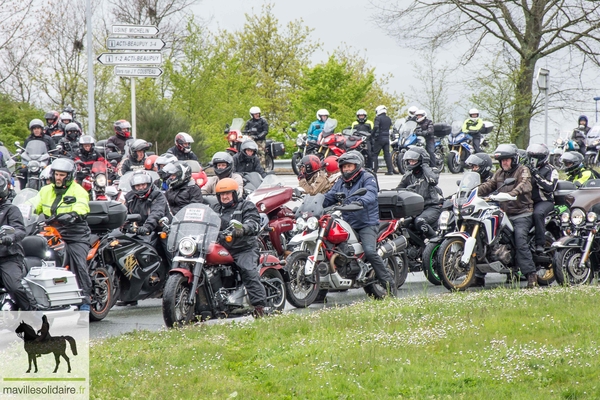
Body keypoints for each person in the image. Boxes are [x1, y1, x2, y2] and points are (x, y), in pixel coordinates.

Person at [323, 151, 397, 296]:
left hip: (366, 223)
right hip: (347, 222)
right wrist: (316, 201)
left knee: (369, 251)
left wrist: (360, 201)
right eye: (344, 167)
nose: (346, 169)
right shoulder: (341, 182)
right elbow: (330, 196)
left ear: (357, 166)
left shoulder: (367, 178)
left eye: (349, 166)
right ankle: (320, 292)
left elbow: (370, 194)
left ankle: (390, 286)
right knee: (327, 248)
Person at [34, 158, 92, 321]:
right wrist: (20, 211)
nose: (58, 178)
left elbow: (82, 205)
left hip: (75, 234)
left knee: (78, 262)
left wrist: (74, 214)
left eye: (62, 175)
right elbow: (33, 205)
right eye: (56, 174)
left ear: (69, 176)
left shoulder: (78, 190)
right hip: (51, 231)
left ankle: (84, 302)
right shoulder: (45, 190)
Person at [477, 144, 537, 288]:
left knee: (520, 240)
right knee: (483, 236)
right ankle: (477, 276)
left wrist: (510, 195)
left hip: (521, 213)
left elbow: (524, 185)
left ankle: (531, 276)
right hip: (504, 214)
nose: (504, 162)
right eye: (502, 160)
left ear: (514, 159)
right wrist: (470, 193)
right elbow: (488, 185)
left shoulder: (523, 170)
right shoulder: (499, 173)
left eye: (507, 159)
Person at [211, 178, 267, 317]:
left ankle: (260, 308)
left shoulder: (246, 206)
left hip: (244, 248)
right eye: (221, 194)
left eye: (228, 193)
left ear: (235, 193)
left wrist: (242, 229)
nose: (224, 197)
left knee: (248, 271)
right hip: (221, 248)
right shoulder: (215, 209)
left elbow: (253, 223)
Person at [122, 171, 172, 305]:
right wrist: (121, 225)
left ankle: (175, 283)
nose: (140, 188)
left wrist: (148, 226)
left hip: (161, 228)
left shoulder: (158, 196)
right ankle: (130, 293)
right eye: (137, 186)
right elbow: (123, 212)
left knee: (170, 250)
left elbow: (157, 213)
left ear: (149, 184)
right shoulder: (130, 197)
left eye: (143, 185)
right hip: (138, 230)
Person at [0, 175, 36, 311]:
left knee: (14, 287)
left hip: (8, 256)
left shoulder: (11, 209)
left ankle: (34, 314)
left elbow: (20, 230)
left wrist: (11, 237)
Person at [396, 147, 442, 237]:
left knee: (420, 221)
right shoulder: (408, 175)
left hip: (431, 207)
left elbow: (434, 181)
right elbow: (398, 190)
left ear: (422, 160)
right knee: (400, 223)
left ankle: (435, 242)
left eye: (414, 161)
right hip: (414, 209)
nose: (411, 163)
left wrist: (425, 165)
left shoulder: (432, 171)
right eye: (410, 161)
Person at [526, 143, 558, 254]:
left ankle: (540, 243)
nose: (533, 160)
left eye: (536, 158)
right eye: (531, 157)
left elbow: (550, 187)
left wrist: (536, 174)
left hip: (545, 201)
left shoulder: (551, 170)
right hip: (529, 201)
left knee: (537, 214)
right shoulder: (526, 169)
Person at [21, 119, 56, 189]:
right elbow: (24, 151)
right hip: (31, 162)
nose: (36, 130)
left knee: (50, 173)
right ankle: (23, 189)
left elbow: (54, 150)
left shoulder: (48, 139)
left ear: (41, 129)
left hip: (44, 162)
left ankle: (50, 189)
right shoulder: (28, 139)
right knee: (22, 172)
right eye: (34, 128)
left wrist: (52, 154)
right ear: (32, 130)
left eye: (38, 128)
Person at [372, 105, 394, 174]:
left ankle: (374, 169)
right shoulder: (388, 118)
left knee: (375, 154)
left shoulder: (378, 118)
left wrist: (372, 135)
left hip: (379, 138)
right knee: (387, 154)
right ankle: (390, 170)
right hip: (387, 138)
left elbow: (376, 127)